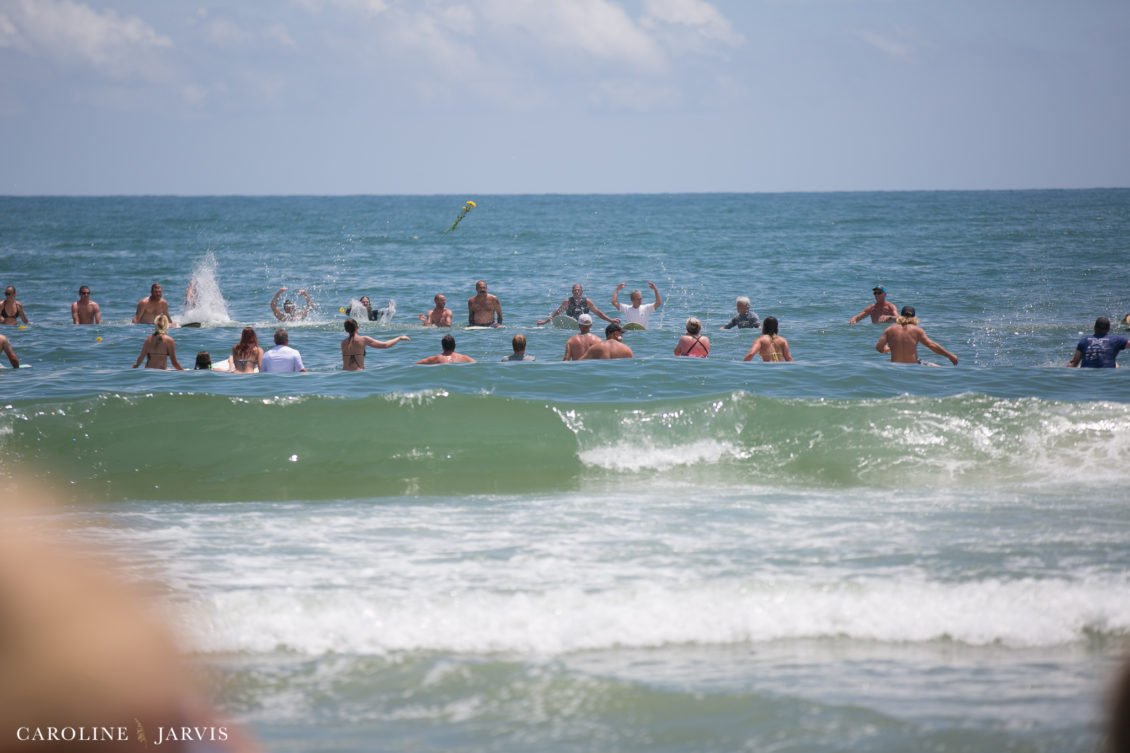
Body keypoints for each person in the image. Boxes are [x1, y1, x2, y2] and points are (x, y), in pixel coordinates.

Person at [875, 305, 958, 365]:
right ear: (914, 318)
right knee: (938, 367)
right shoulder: (917, 330)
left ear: (900, 316)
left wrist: (886, 349)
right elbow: (931, 345)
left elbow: (879, 347)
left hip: (895, 366)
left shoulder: (889, 330)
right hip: (913, 367)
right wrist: (950, 356)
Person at [341, 318, 409, 370]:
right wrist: (399, 338)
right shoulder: (363, 339)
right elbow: (385, 345)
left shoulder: (343, 343)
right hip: (358, 374)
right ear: (357, 327)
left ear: (346, 330)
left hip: (344, 376)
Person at [536, 284, 619, 326]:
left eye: (578, 290)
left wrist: (611, 320)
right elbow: (557, 313)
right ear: (572, 292)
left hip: (583, 325)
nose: (576, 292)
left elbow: (598, 313)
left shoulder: (587, 302)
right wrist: (545, 322)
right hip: (571, 325)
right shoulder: (567, 301)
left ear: (582, 292)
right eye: (575, 290)